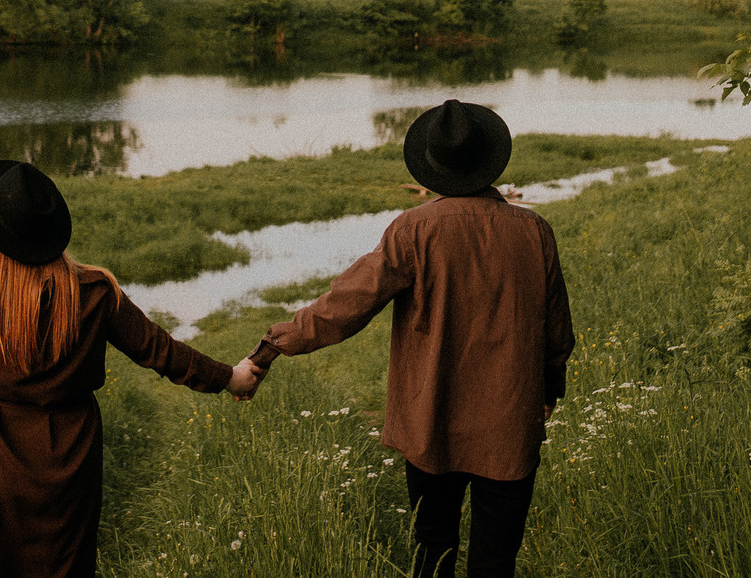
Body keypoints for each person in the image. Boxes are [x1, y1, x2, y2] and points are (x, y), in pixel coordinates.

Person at [0, 158, 256, 578]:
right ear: (52, 230)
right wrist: (230, 377)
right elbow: (159, 351)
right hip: (70, 465)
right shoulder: (94, 293)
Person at [233, 100, 573, 578]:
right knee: (496, 561)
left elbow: (344, 306)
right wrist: (550, 390)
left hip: (432, 420)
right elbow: (557, 330)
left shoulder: (413, 230)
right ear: (490, 159)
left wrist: (269, 350)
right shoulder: (535, 230)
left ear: (433, 166)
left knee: (432, 551)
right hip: (510, 421)